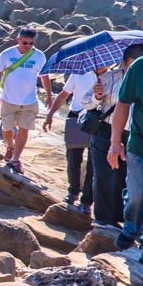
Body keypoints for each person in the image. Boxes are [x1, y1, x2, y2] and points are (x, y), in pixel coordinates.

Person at [109, 45, 143, 272]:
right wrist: (114, 143)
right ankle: (131, 229)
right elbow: (123, 104)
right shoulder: (141, 66)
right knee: (138, 196)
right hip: (141, 146)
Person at [85, 47, 143, 227]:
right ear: (124, 62)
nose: (136, 69)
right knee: (103, 174)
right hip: (105, 131)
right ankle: (102, 218)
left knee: (126, 177)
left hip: (134, 133)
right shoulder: (109, 78)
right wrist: (97, 96)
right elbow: (85, 101)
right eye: (132, 65)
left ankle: (118, 218)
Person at [0, 27, 51, 173]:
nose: (28, 46)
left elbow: (44, 76)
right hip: (8, 99)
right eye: (25, 42)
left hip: (30, 101)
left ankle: (16, 159)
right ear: (18, 40)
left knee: (24, 131)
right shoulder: (7, 54)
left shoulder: (39, 56)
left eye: (31, 43)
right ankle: (10, 146)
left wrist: (49, 95)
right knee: (7, 129)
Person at [43, 69, 96, 212]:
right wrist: (50, 114)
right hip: (77, 116)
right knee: (73, 158)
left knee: (94, 163)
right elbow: (63, 95)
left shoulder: (110, 76)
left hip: (98, 120)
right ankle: (73, 192)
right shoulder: (79, 73)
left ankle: (87, 201)